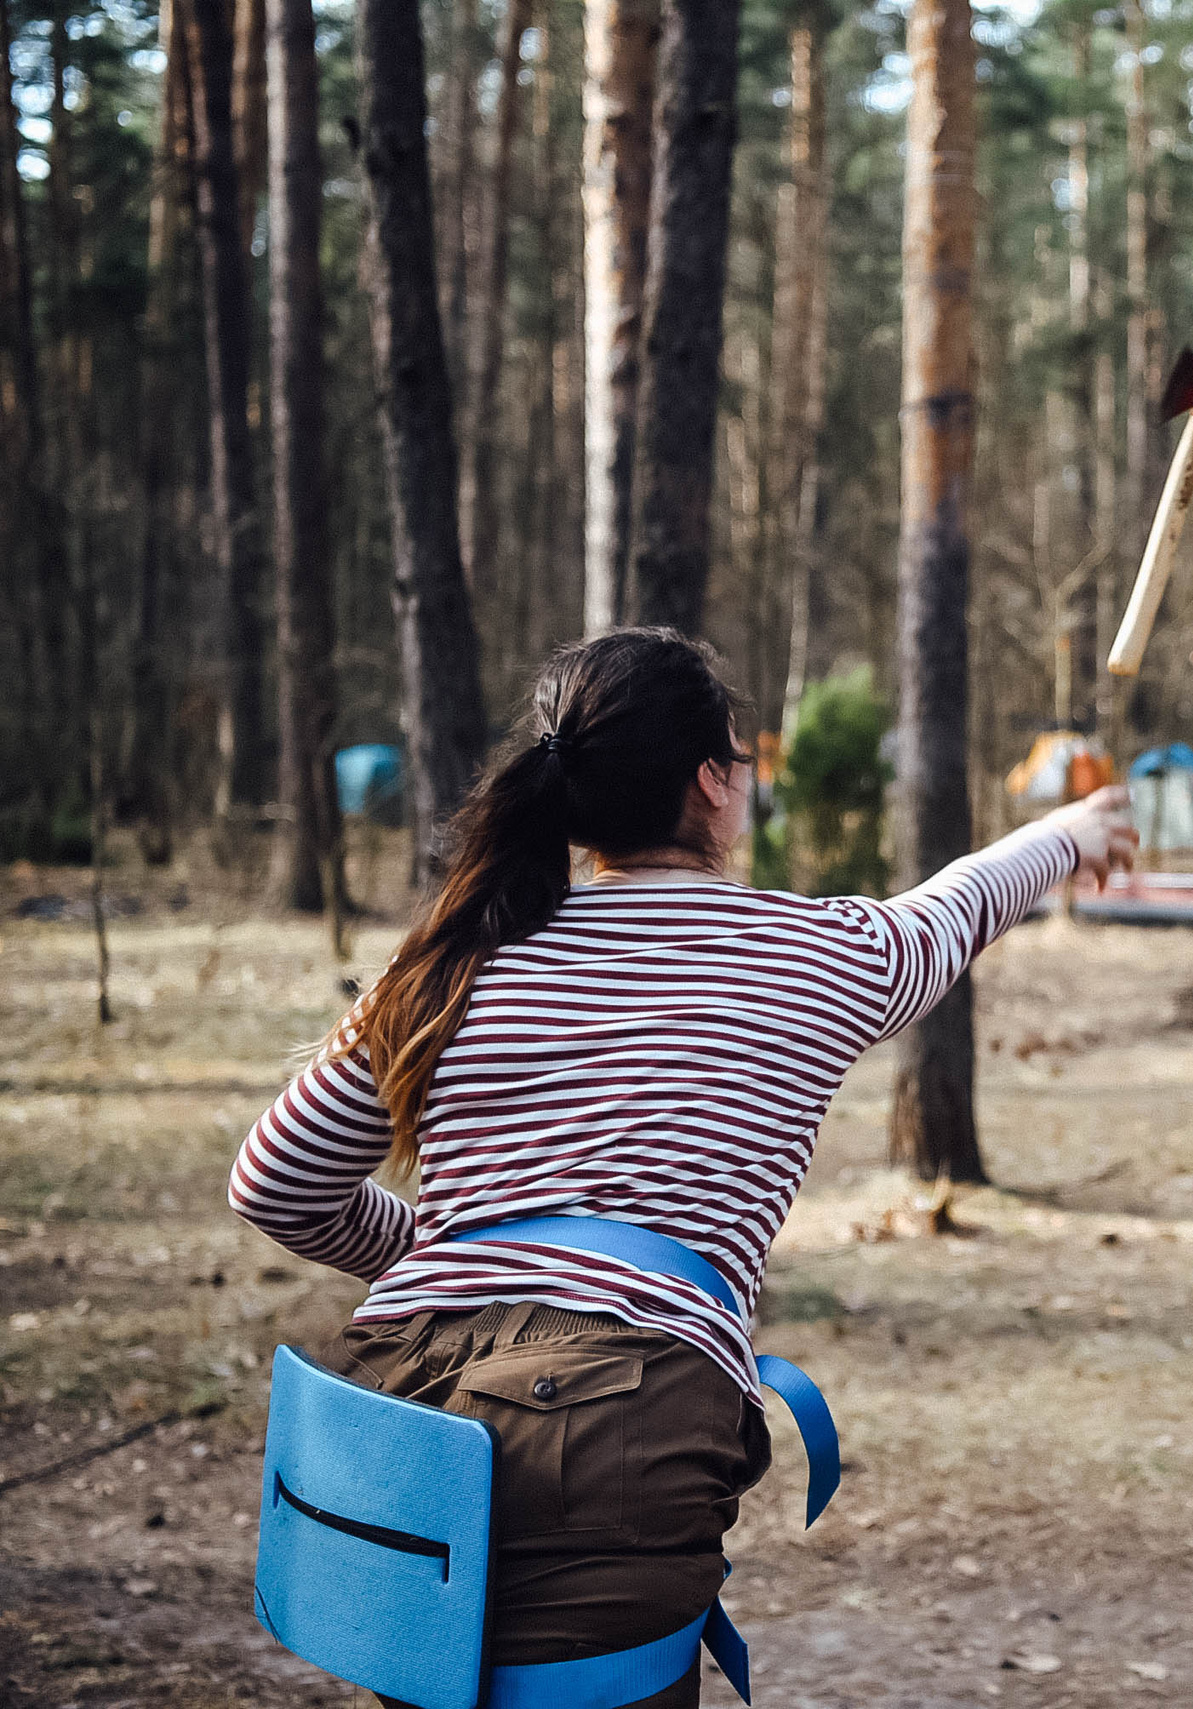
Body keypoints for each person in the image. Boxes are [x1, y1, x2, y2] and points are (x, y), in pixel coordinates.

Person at [229, 628, 1134, 1707]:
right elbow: (956, 907)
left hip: (406, 1425)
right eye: (742, 757)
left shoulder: (457, 956)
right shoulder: (814, 951)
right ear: (711, 780)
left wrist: (442, 1249)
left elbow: (276, 1181)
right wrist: (1067, 833)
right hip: (619, 1421)